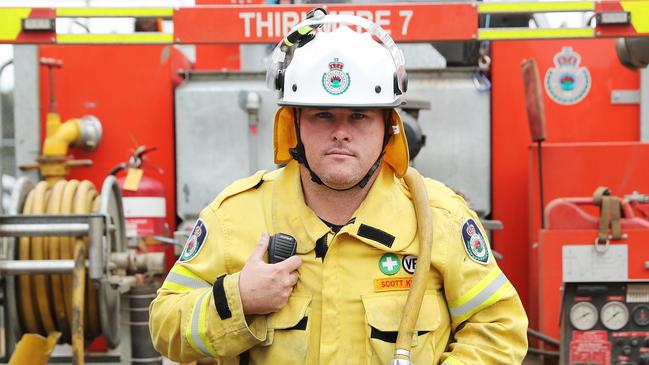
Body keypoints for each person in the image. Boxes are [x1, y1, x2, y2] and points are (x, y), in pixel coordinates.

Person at [149, 11, 528, 365]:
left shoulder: (438, 219)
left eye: (359, 116)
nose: (341, 132)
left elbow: (500, 329)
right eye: (322, 115)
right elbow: (165, 325)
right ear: (293, 124)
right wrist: (239, 299)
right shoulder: (234, 218)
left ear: (389, 127)